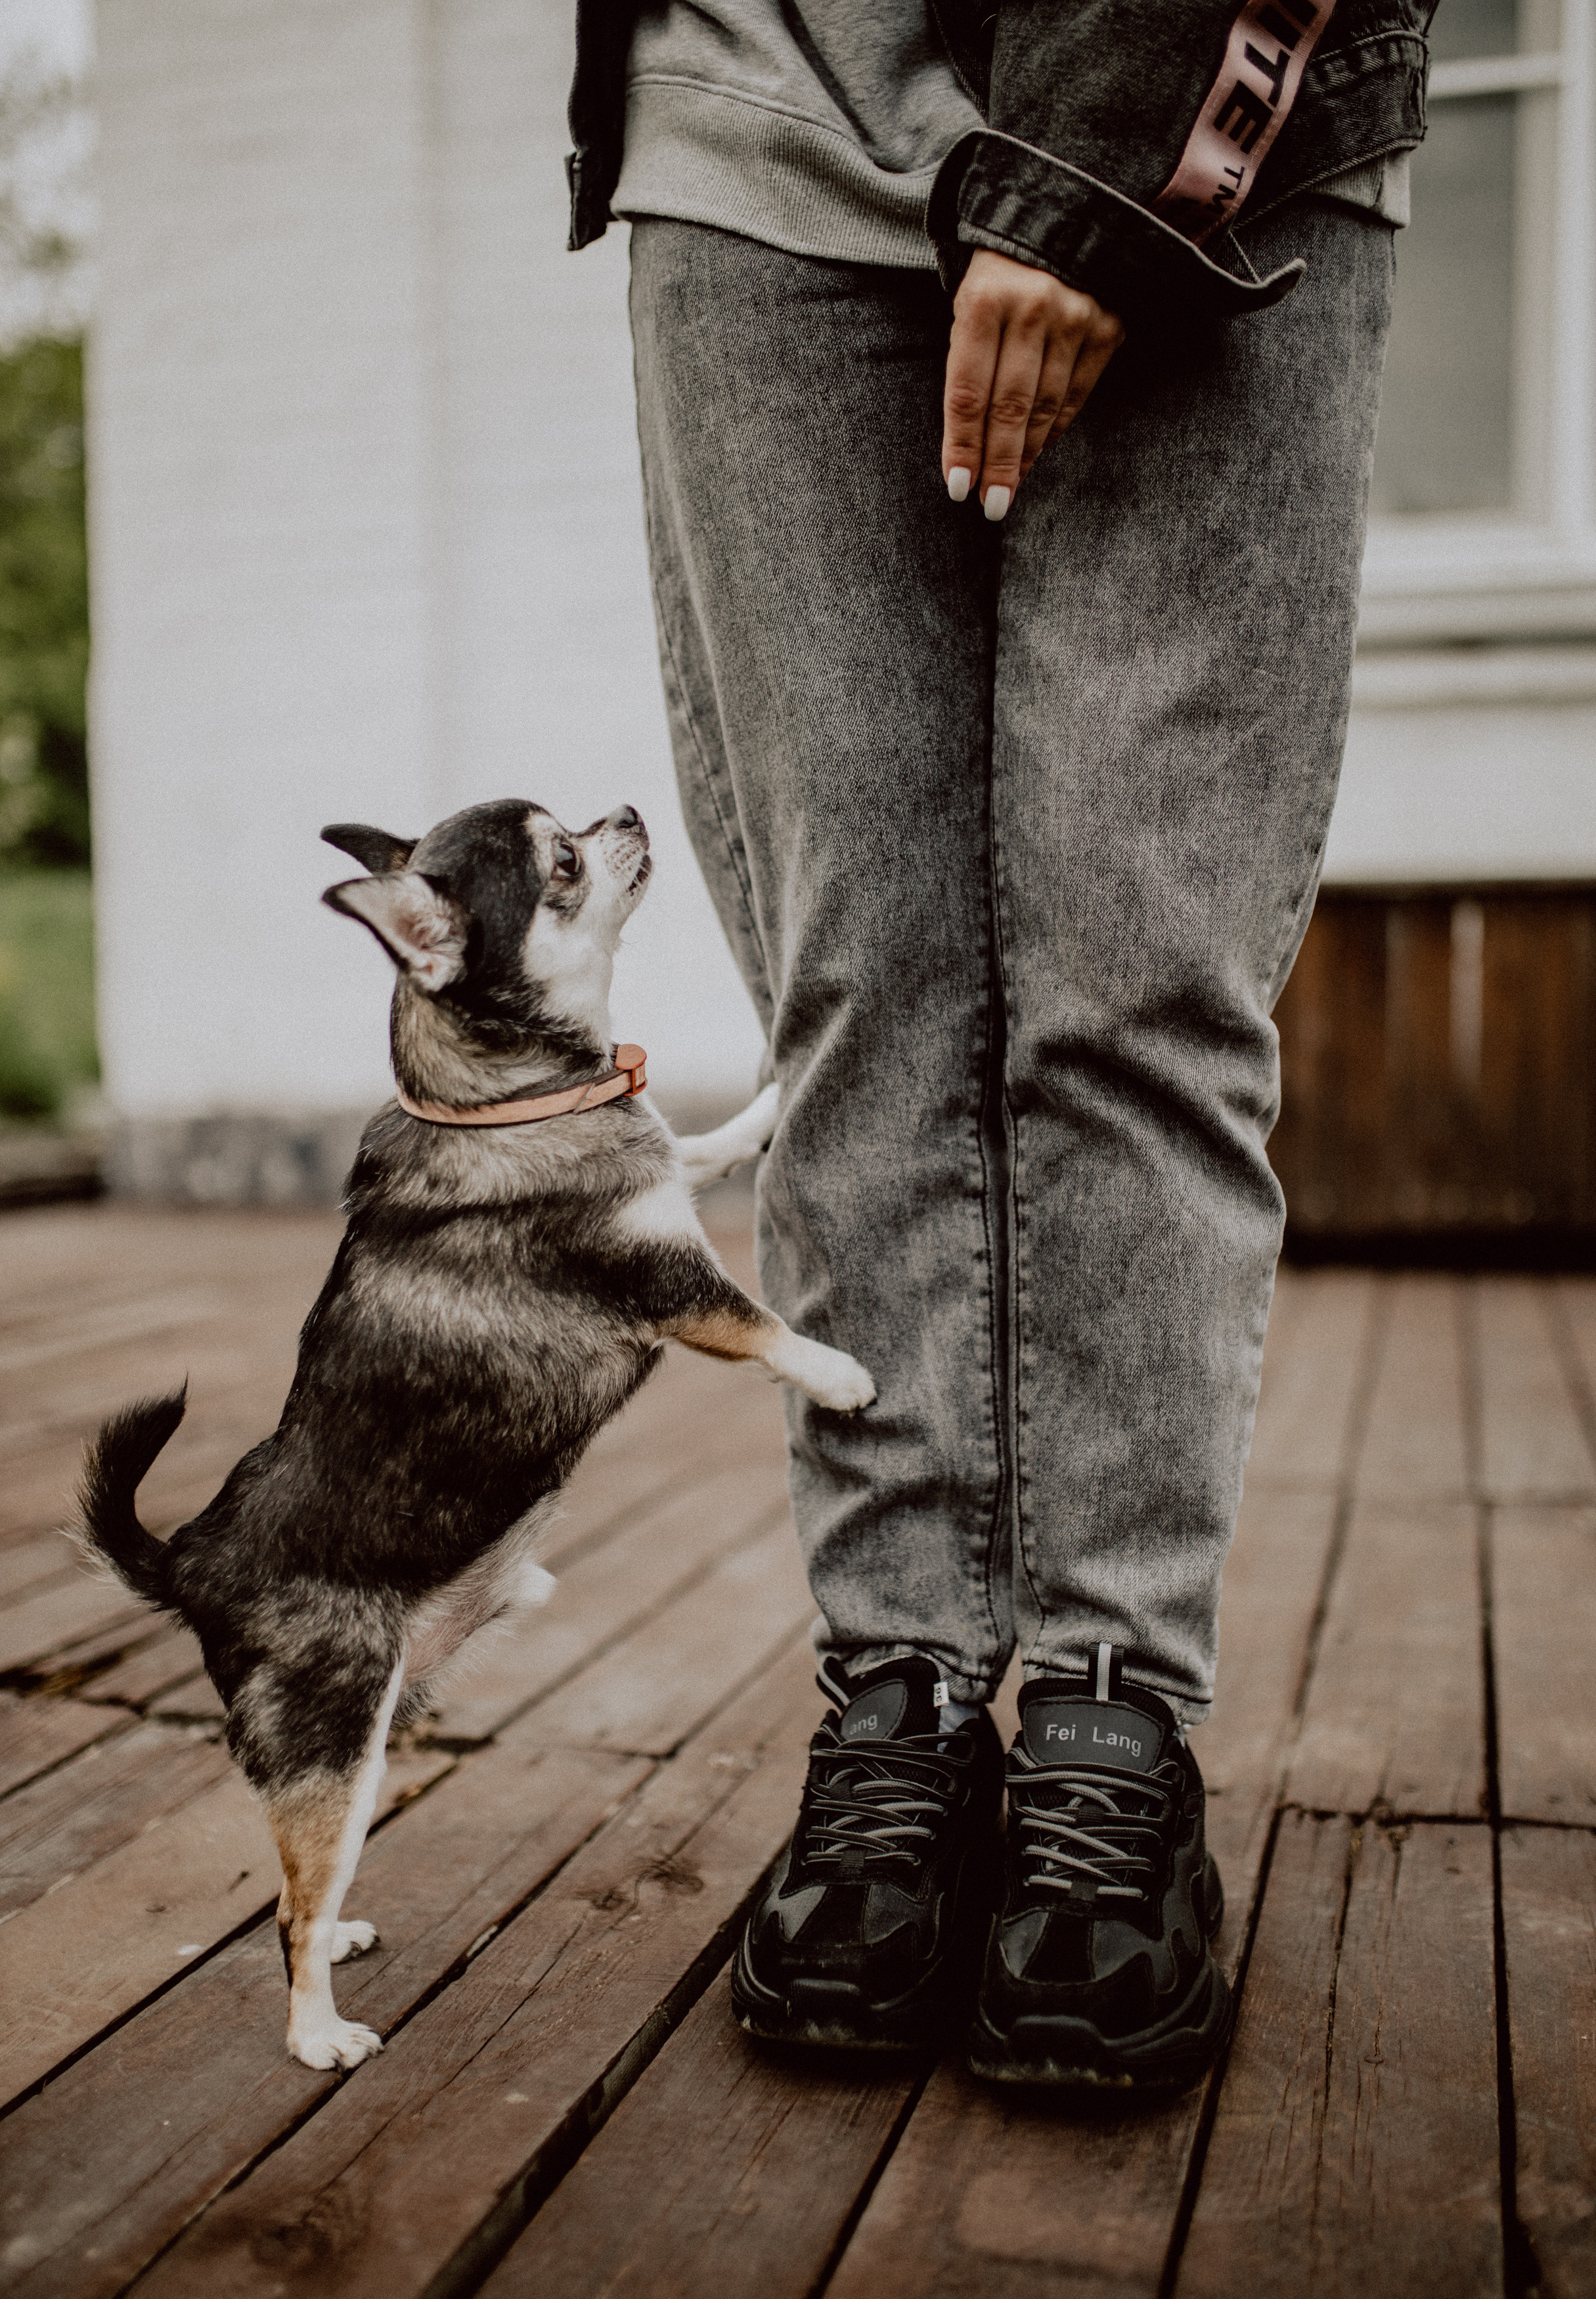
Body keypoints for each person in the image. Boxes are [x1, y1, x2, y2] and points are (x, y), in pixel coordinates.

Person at [566, 0, 1429, 2091]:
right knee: (866, 991)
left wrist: (1138, 140)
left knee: (1136, 983)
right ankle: (907, 1695)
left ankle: (1111, 1711)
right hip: (756, 131)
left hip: (1213, 110)